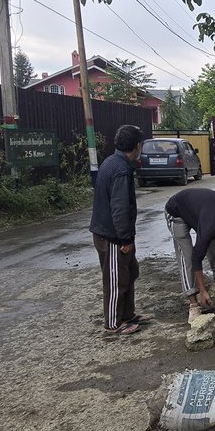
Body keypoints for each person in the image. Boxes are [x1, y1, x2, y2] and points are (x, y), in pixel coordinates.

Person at [89, 123, 146, 339]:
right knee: (115, 280)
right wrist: (125, 239)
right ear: (137, 145)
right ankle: (113, 323)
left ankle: (127, 314)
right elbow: (120, 208)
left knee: (128, 274)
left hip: (114, 234)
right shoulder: (121, 169)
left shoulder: (112, 162)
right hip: (112, 237)